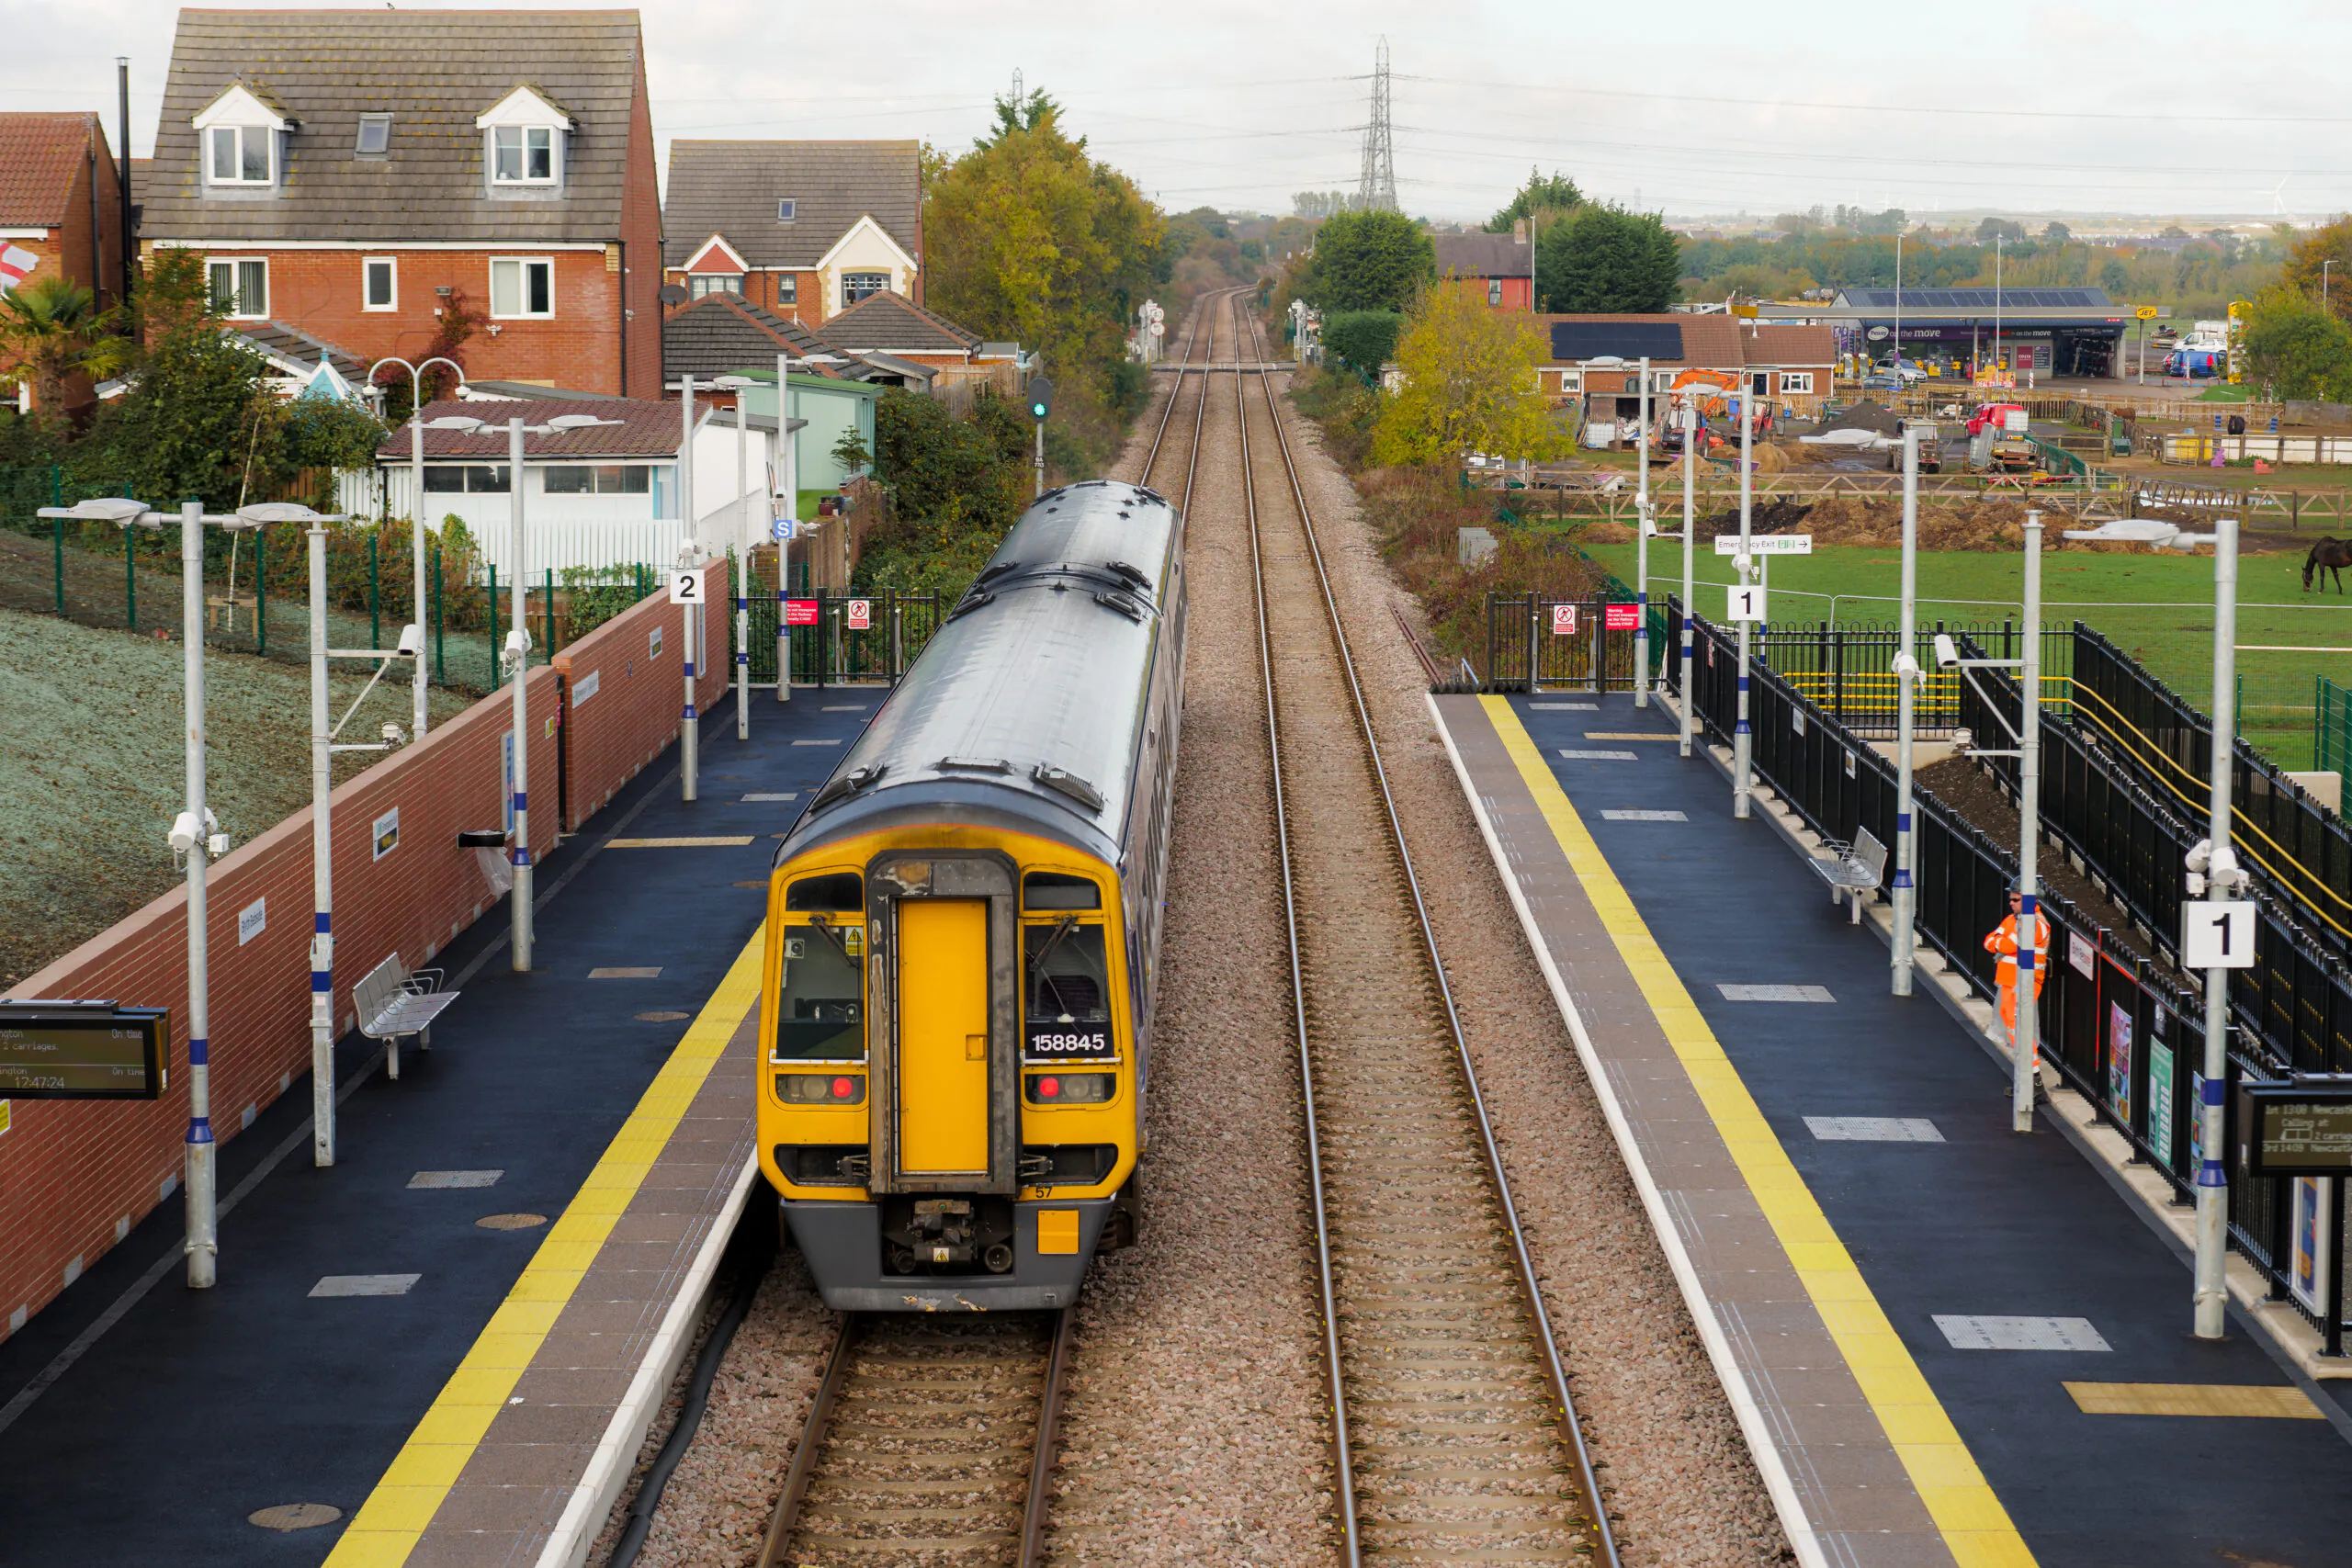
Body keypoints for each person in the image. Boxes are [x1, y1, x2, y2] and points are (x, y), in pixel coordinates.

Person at [1984, 886, 2052, 1083]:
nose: (2011, 903)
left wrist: (2000, 942)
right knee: (2012, 1023)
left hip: (2023, 981)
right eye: (2011, 899)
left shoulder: (2034, 924)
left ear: (2030, 901)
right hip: (2010, 980)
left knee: (2019, 1025)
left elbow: (2006, 945)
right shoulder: (2014, 920)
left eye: (2016, 900)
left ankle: (2032, 1076)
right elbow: (1989, 941)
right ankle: (2028, 1072)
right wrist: (2000, 942)